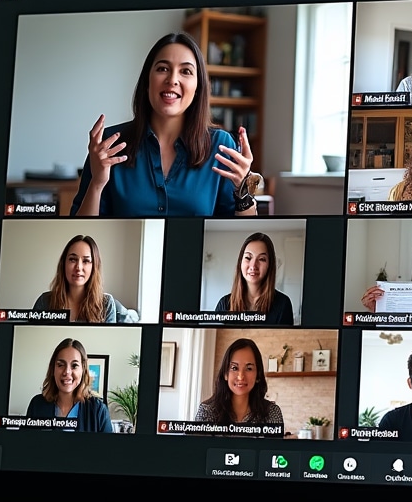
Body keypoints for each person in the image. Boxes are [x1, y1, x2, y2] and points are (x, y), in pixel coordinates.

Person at [70, 32, 258, 218]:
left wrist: (243, 190)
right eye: (162, 69)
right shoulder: (108, 145)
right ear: (147, 81)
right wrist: (96, 183)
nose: (172, 80)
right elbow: (81, 232)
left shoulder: (221, 145)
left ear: (198, 88)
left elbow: (239, 230)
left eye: (186, 71)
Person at [194, 337, 284, 430]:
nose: (241, 376)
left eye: (249, 368)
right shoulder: (207, 411)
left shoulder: (272, 413)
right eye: (234, 368)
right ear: (225, 374)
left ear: (258, 375)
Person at [26, 337, 113, 432]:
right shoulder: (37, 405)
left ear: (83, 370)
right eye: (60, 365)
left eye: (74, 366)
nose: (67, 372)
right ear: (53, 369)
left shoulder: (98, 411)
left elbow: (108, 446)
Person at [33, 234, 117, 323]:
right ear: (63, 264)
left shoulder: (106, 304)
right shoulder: (44, 302)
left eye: (86, 261)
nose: (79, 267)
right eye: (73, 259)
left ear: (94, 267)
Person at [213, 232, 294, 324]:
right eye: (248, 257)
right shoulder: (224, 304)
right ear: (240, 262)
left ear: (269, 265)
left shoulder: (283, 304)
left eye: (261, 259)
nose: (253, 265)